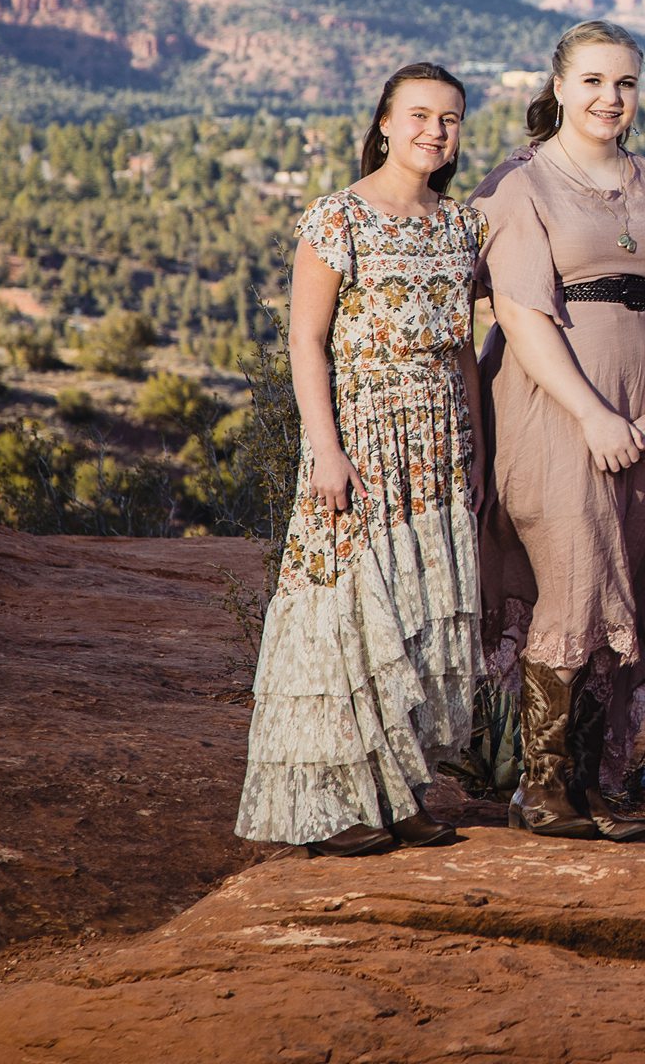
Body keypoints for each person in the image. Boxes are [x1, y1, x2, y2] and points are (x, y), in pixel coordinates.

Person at [235, 62, 484, 858]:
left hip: (438, 445)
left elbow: (464, 352)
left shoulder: (462, 226)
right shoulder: (337, 218)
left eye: (448, 119)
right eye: (417, 115)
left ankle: (402, 792)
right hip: (362, 440)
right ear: (383, 122)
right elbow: (305, 341)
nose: (433, 132)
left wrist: (477, 448)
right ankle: (336, 805)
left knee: (412, 615)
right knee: (347, 618)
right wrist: (327, 453)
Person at [471, 19, 645, 841]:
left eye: (626, 83)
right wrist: (594, 414)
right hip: (555, 406)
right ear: (560, 87)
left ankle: (600, 778)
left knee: (625, 580)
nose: (611, 98)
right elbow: (525, 315)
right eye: (595, 81)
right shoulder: (520, 185)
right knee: (574, 575)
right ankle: (542, 786)